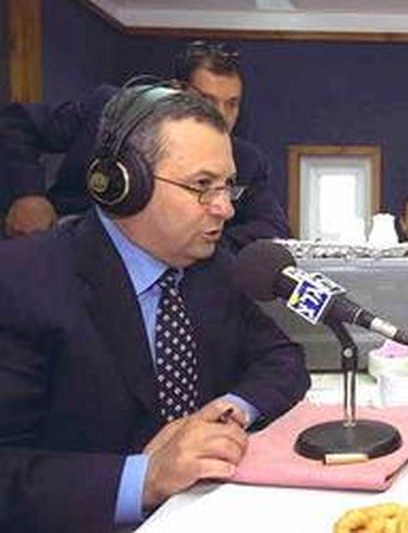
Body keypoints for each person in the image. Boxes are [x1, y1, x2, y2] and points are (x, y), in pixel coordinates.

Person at [0, 83, 310, 532]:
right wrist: (145, 479)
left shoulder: (216, 268)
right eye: (202, 186)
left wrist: (228, 410)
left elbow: (282, 359)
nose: (224, 208)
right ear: (123, 183)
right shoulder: (20, 283)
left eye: (228, 186)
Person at [0, 40, 289, 251]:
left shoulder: (247, 161)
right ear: (177, 90)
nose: (221, 115)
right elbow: (16, 124)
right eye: (207, 100)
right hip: (70, 243)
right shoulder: (110, 109)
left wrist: (196, 243)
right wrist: (27, 194)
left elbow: (272, 228)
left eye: (232, 104)